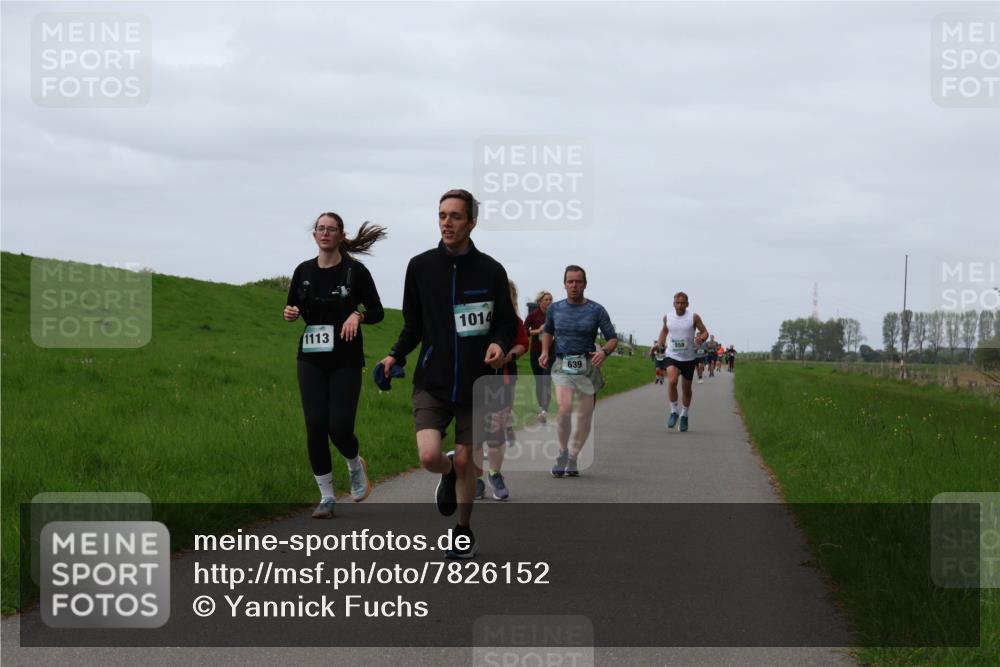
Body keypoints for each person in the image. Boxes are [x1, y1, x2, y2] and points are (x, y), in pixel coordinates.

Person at [380, 189, 515, 558]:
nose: (447, 223)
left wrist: (500, 345)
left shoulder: (491, 270)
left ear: (472, 221)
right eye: (442, 215)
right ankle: (447, 474)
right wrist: (394, 355)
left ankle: (463, 529)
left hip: (477, 383)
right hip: (433, 380)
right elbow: (413, 325)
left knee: (466, 458)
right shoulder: (420, 266)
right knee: (429, 456)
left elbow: (505, 322)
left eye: (455, 216)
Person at [284, 213, 386, 519]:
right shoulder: (303, 270)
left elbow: (378, 310)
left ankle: (355, 463)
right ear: (314, 235)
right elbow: (294, 306)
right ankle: (326, 495)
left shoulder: (355, 272)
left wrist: (359, 315)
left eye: (332, 229)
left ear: (341, 235)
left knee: (339, 428)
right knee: (315, 425)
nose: (325, 233)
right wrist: (289, 313)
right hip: (311, 358)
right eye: (321, 229)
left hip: (345, 359)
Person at [539, 265, 617, 477]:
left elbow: (612, 337)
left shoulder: (596, 310)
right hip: (562, 365)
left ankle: (574, 455)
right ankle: (562, 452)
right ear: (564, 284)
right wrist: (545, 351)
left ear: (585, 284)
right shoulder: (555, 308)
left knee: (584, 417)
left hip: (587, 367)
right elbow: (547, 331)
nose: (574, 286)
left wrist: (605, 352)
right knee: (564, 409)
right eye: (570, 281)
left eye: (578, 282)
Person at [476, 280, 528, 501]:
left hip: (503, 380)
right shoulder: (476, 317)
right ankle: (476, 479)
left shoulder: (514, 321)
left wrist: (510, 355)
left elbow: (523, 343)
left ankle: (495, 474)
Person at [655, 292, 709, 433]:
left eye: (683, 303)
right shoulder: (667, 317)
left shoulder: (693, 317)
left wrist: (701, 339)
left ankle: (684, 414)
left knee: (686, 389)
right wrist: (659, 344)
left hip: (689, 358)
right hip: (672, 355)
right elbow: (664, 331)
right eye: (677, 302)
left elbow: (705, 332)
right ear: (673, 303)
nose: (680, 305)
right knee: (672, 381)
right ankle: (673, 411)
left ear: (687, 304)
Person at [525, 291, 554, 422]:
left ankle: (544, 410)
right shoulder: (533, 315)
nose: (549, 302)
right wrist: (538, 330)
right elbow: (524, 331)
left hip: (550, 351)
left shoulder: (555, 314)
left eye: (550, 299)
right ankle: (541, 406)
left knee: (546, 379)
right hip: (536, 351)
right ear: (540, 302)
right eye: (546, 299)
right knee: (539, 381)